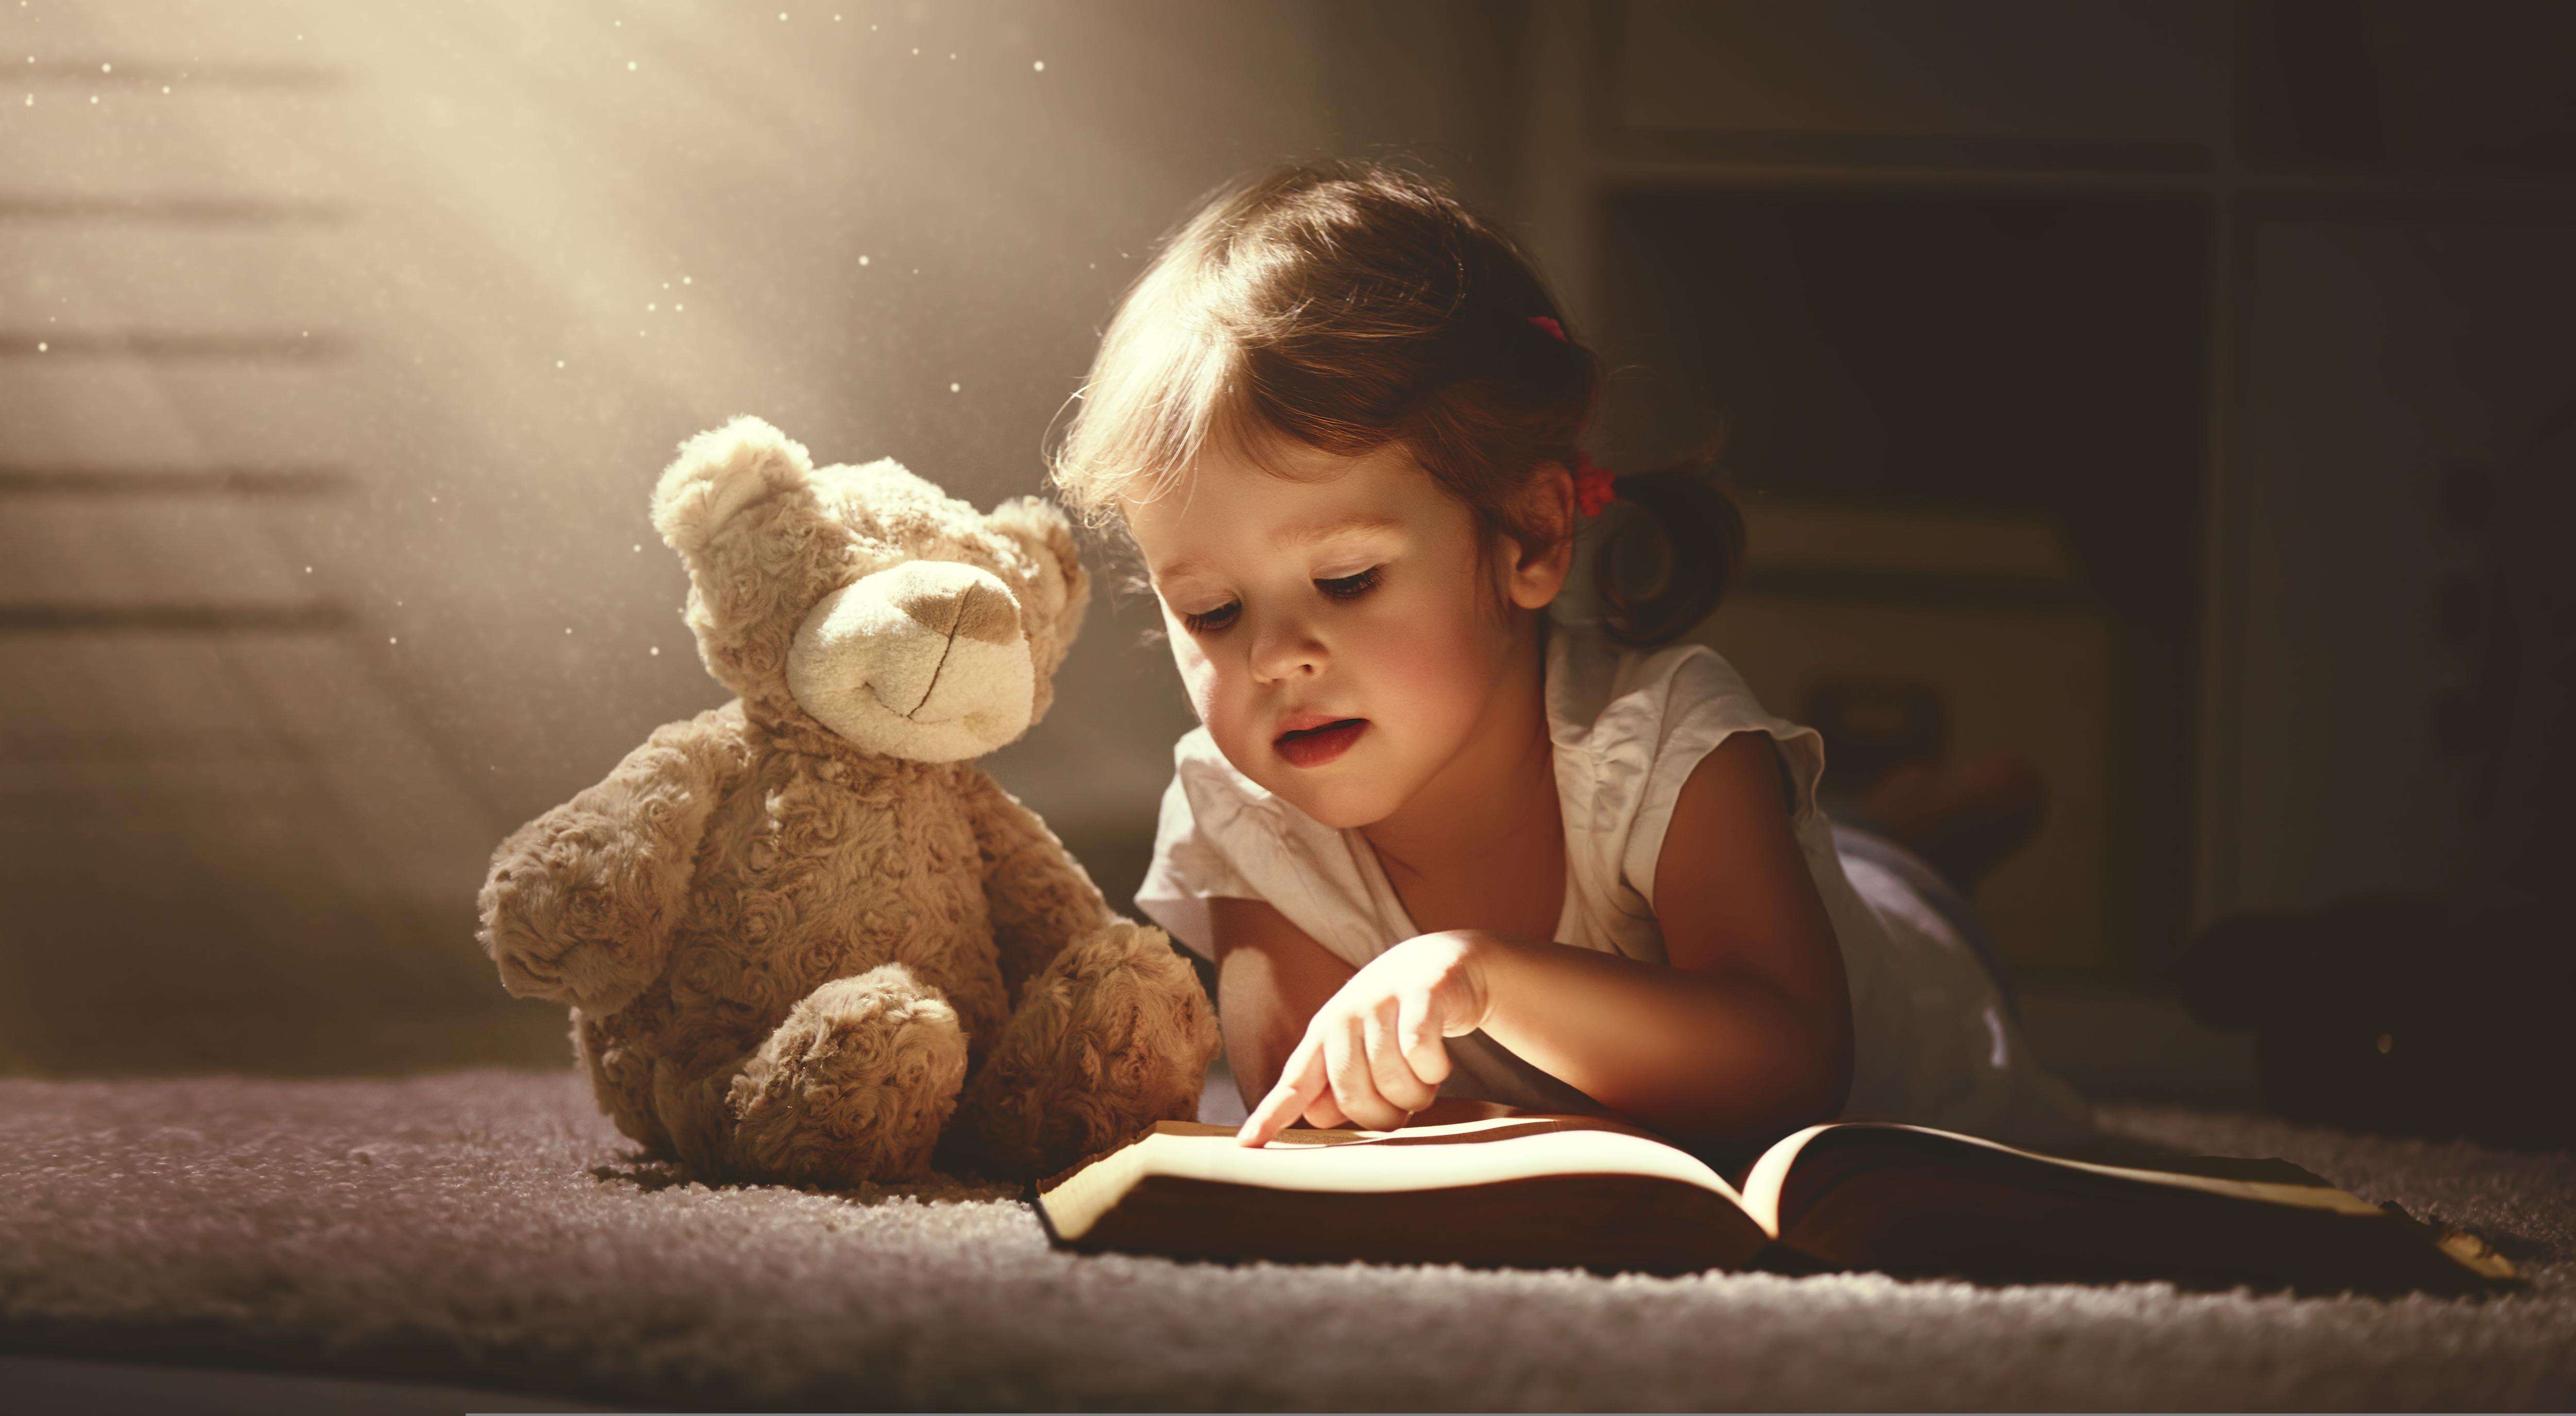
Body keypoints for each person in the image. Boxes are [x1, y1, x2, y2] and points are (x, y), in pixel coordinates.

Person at [1045, 159, 2094, 1158]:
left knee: (1894, 895)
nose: (1275, 658)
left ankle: (1932, 834)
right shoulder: (1244, 808)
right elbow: (1311, 1113)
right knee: (1848, 855)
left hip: (1915, 982)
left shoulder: (1669, 740)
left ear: (1532, 537)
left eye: (1348, 581)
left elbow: (1791, 1062)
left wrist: (1484, 976)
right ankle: (1887, 830)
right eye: (1214, 610)